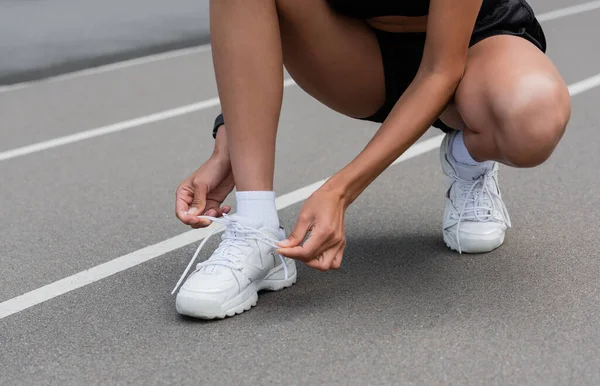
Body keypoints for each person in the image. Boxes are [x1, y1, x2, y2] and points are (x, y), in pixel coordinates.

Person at [172, 0, 571, 319]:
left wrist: (340, 192)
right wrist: (230, 140)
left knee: (532, 120)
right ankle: (257, 229)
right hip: (359, 52)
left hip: (469, 50)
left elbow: (439, 70)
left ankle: (468, 158)